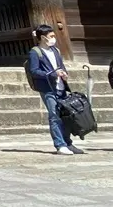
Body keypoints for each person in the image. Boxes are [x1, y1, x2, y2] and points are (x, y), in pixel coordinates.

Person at [27, 23, 80, 155]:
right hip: (47, 88)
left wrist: (64, 74)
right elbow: (34, 71)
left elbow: (60, 65)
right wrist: (51, 74)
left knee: (66, 115)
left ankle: (68, 143)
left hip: (61, 86)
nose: (53, 38)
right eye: (51, 36)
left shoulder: (55, 50)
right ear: (43, 38)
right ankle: (60, 144)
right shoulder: (35, 52)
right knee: (54, 116)